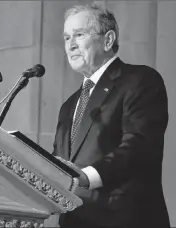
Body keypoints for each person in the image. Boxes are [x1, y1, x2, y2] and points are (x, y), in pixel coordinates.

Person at [52, 3, 170, 228]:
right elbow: (58, 162)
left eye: (79, 35)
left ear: (107, 40)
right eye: (67, 38)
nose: (71, 45)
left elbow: (139, 145)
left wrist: (86, 176)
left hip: (124, 219)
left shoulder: (140, 80)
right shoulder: (69, 105)